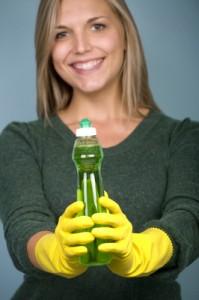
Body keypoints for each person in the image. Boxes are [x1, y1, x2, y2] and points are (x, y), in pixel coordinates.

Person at [0, 0, 199, 299]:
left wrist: (141, 251)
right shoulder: (22, 139)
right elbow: (23, 224)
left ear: (126, 34)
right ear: (47, 48)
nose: (80, 46)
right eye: (61, 34)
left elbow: (189, 217)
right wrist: (53, 250)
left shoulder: (183, 138)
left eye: (97, 26)